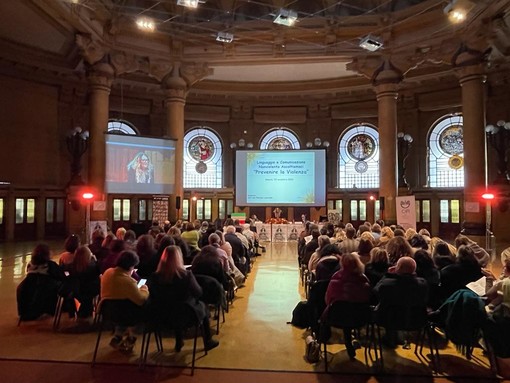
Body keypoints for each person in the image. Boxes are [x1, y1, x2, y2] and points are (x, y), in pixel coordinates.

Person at [147, 245, 219, 352]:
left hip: (160, 317)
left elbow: (151, 295)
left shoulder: (154, 277)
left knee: (174, 307)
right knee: (202, 307)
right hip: (185, 316)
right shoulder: (186, 275)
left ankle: (179, 341)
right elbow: (198, 293)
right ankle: (207, 340)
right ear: (179, 258)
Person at [324, 252, 371, 359]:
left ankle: (323, 338)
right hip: (361, 318)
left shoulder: (335, 278)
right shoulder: (364, 280)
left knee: (343, 310)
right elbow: (368, 299)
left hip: (336, 316)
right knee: (350, 311)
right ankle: (350, 343)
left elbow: (328, 300)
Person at [100, 250, 149, 353]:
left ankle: (118, 336)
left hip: (107, 312)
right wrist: (144, 289)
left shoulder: (108, 272)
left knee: (122, 306)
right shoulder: (128, 281)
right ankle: (131, 338)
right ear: (131, 267)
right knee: (145, 309)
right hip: (126, 315)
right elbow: (141, 300)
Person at [17, 244, 65, 321]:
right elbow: (61, 276)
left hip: (27, 307)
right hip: (43, 292)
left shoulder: (30, 264)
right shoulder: (50, 265)